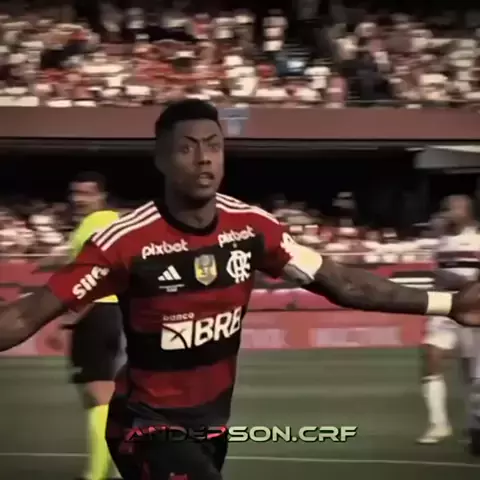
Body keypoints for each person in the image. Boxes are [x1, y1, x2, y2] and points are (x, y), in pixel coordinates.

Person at [2, 100, 480, 480]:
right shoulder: (124, 242)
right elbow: (26, 314)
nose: (204, 158)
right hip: (143, 424)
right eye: (188, 147)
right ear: (161, 159)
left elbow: (341, 282)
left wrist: (449, 303)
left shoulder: (252, 228)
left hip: (212, 423)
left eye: (214, 145)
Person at [66, 172, 125, 480]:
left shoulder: (98, 222)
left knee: (99, 395)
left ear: (101, 195)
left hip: (97, 311)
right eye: (76, 193)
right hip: (107, 311)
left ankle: (98, 473)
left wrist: (77, 313)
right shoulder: (101, 222)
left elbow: (99, 271)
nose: (79, 199)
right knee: (99, 395)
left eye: (86, 193)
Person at [417, 196, 480, 445]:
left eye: (455, 208)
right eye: (446, 208)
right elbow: (439, 273)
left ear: (468, 212)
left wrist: (461, 283)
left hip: (473, 309)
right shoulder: (441, 240)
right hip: (445, 307)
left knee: (472, 374)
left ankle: (474, 424)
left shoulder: (477, 239)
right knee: (430, 355)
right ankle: (438, 424)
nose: (448, 212)